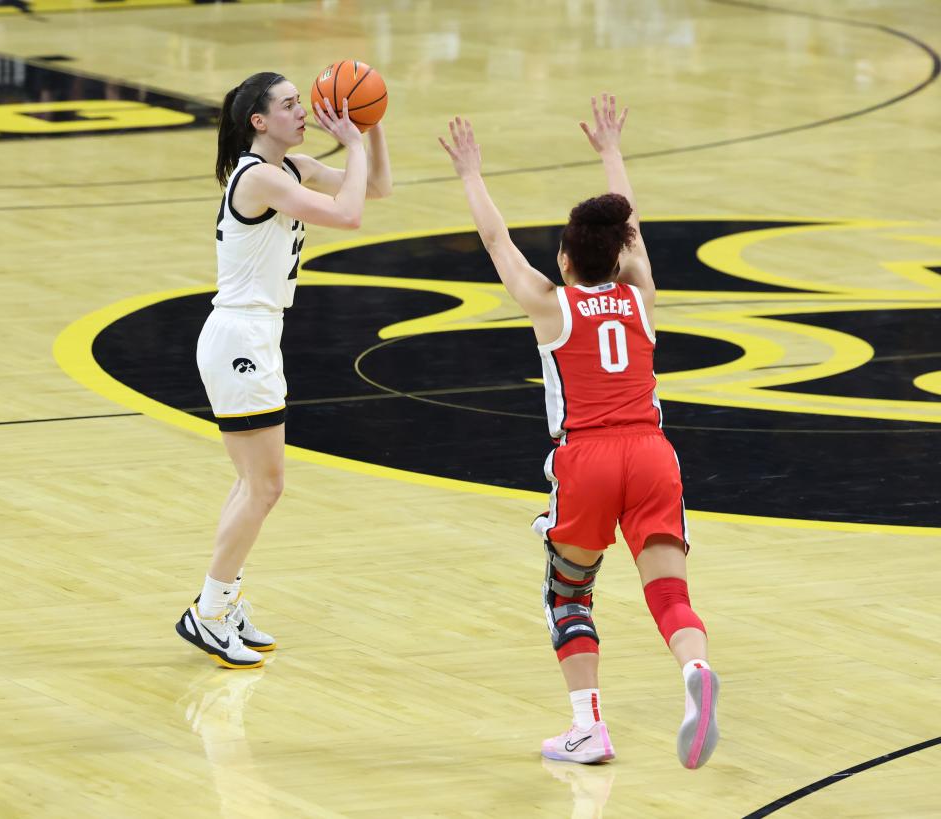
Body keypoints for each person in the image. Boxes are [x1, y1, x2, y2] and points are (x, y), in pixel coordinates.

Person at [439, 94, 718, 768]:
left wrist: (471, 172)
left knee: (568, 590)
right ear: (621, 257)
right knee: (670, 593)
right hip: (653, 453)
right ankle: (694, 671)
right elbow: (634, 230)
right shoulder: (640, 294)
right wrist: (611, 152)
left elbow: (496, 243)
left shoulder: (549, 305)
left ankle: (588, 727)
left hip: (588, 457)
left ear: (565, 261)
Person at [176, 71, 392, 668]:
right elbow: (347, 218)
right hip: (241, 335)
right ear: (259, 121)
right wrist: (348, 144)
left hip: (251, 335)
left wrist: (370, 130)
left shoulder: (288, 169)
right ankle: (210, 612)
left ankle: (221, 600)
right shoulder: (262, 176)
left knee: (252, 485)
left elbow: (375, 190)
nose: (305, 112)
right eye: (292, 105)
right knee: (266, 486)